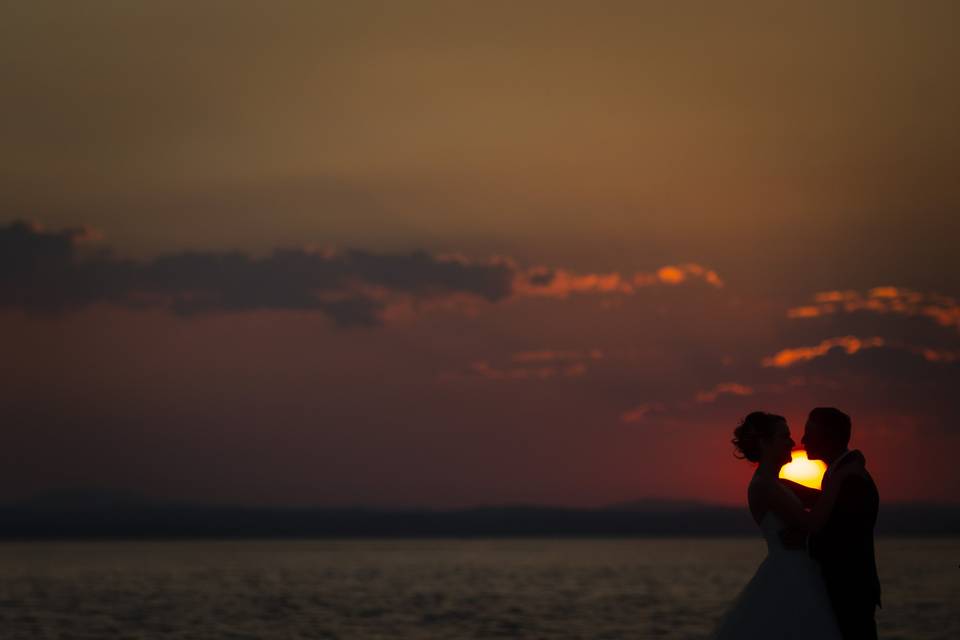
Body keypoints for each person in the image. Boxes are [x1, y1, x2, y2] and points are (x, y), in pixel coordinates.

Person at [710, 411, 860, 639]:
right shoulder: (764, 486)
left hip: (799, 570)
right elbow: (813, 523)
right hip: (789, 575)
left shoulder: (778, 483)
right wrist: (839, 479)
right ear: (764, 443)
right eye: (784, 436)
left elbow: (820, 503)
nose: (792, 442)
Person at [801, 407, 881, 640]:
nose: (803, 439)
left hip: (848, 590)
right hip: (844, 588)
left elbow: (842, 535)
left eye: (810, 432)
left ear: (830, 436)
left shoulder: (852, 479)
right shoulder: (842, 474)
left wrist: (801, 536)